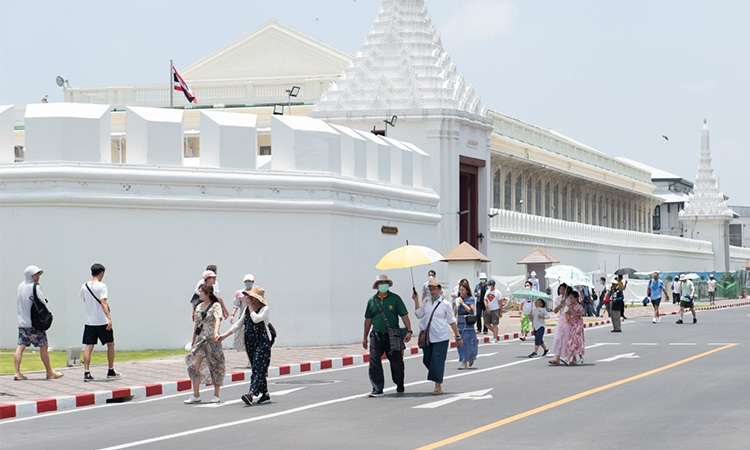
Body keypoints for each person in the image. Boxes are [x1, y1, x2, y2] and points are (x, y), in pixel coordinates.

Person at [219, 286, 273, 405]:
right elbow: (238, 324)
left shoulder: (264, 309)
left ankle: (251, 393)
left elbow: (256, 319)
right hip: (250, 342)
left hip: (262, 342)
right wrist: (224, 335)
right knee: (257, 367)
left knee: (258, 367)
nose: (248, 298)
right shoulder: (246, 310)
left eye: (251, 297)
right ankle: (265, 394)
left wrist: (249, 306)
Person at [362, 274, 412, 397]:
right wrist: (364, 337)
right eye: (380, 283)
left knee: (397, 362)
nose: (383, 285)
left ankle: (399, 383)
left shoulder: (395, 299)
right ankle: (377, 388)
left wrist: (409, 331)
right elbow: (368, 319)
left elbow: (404, 315)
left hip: (392, 336)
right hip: (376, 335)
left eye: (385, 282)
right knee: (374, 362)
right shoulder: (371, 301)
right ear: (377, 286)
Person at [13, 265, 64, 381]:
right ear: (31, 275)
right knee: (43, 346)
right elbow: (41, 302)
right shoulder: (35, 286)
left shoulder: (20, 286)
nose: (38, 276)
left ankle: (17, 373)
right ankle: (49, 372)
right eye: (36, 274)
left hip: (22, 322)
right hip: (34, 323)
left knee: (20, 346)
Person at [413, 279, 462, 395]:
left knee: (438, 361)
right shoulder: (426, 302)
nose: (432, 291)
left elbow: (451, 321)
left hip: (441, 337)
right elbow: (419, 314)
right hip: (428, 336)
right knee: (427, 360)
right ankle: (436, 374)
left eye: (434, 289)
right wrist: (416, 300)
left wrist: (458, 336)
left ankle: (438, 385)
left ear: (440, 290)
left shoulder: (445, 304)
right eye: (430, 289)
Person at [184, 284, 225, 404]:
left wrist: (216, 332)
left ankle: (216, 394)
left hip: (212, 340)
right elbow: (196, 325)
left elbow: (218, 319)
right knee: (193, 366)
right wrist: (193, 340)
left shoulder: (215, 305)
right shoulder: (198, 307)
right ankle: (196, 394)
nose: (198, 294)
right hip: (201, 340)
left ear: (208, 293)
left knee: (215, 366)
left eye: (201, 291)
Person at [81, 263, 121, 382]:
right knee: (110, 344)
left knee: (89, 346)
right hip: (102, 321)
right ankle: (110, 370)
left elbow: (84, 299)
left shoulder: (84, 286)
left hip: (89, 321)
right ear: (101, 273)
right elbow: (103, 302)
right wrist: (109, 318)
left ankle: (86, 372)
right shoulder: (102, 286)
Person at [228, 274, 255, 367]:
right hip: (244, 318)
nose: (248, 283)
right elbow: (236, 305)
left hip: (254, 318)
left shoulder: (256, 292)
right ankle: (250, 360)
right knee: (245, 340)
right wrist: (232, 315)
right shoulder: (240, 294)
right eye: (246, 281)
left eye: (250, 281)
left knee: (253, 340)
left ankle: (253, 359)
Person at [455, 281, 478, 370]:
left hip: (468, 324)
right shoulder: (458, 299)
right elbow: (456, 311)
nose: (461, 292)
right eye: (460, 290)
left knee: (467, 342)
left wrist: (463, 304)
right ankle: (464, 358)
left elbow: (471, 311)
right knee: (459, 342)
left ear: (467, 291)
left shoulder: (470, 299)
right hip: (459, 323)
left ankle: (466, 360)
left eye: (463, 290)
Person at [548, 283, 571, 365]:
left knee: (567, 339)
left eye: (563, 289)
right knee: (558, 338)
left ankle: (569, 356)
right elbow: (555, 311)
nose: (561, 291)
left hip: (569, 320)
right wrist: (560, 305)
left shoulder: (570, 298)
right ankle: (556, 357)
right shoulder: (558, 299)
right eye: (560, 289)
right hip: (561, 319)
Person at [567, 290, 585, 365]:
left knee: (575, 341)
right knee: (575, 341)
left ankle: (567, 357)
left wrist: (572, 311)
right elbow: (566, 313)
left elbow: (578, 317)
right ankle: (580, 358)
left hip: (578, 325)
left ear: (576, 298)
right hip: (572, 325)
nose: (571, 300)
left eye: (572, 298)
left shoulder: (579, 307)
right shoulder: (570, 306)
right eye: (570, 298)